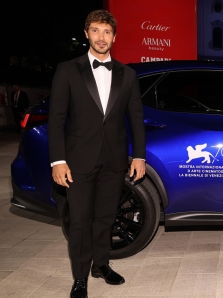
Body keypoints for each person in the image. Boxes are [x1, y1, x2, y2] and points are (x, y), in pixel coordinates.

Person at [47, 10, 145, 298]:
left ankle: (101, 264)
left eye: (107, 32)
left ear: (114, 37)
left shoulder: (128, 75)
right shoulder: (68, 69)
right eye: (96, 31)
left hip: (114, 161)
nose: (101, 37)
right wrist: (58, 160)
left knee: (105, 217)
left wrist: (139, 156)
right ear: (87, 34)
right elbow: (56, 119)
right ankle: (80, 278)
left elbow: (136, 119)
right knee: (79, 221)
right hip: (77, 161)